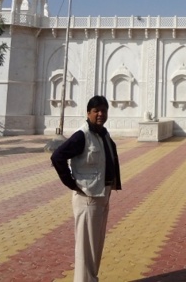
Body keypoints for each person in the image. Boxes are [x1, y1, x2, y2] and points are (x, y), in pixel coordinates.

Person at [51, 96, 122, 282]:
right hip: (88, 197)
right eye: (96, 110)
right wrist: (72, 183)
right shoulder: (82, 135)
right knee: (85, 248)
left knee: (95, 246)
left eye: (103, 110)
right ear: (88, 113)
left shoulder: (103, 134)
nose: (100, 114)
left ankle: (91, 278)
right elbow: (57, 157)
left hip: (102, 195)